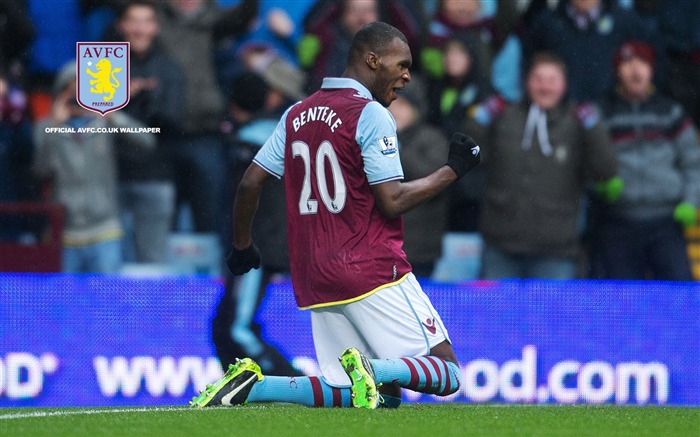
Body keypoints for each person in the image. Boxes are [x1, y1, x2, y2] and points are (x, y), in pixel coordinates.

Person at [190, 22, 480, 410]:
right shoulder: (371, 115)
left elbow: (250, 182)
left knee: (372, 396)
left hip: (314, 274)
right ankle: (373, 369)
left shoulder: (296, 114)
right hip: (371, 266)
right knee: (448, 373)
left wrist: (243, 246)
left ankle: (254, 388)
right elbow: (391, 200)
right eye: (402, 64)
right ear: (372, 59)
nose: (408, 75)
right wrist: (453, 170)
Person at [466, 52, 618, 279]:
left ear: (564, 85)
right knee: (497, 315)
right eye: (538, 79)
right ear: (526, 82)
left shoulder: (577, 123)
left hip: (555, 251)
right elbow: (469, 157)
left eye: (552, 80)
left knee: (550, 316)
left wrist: (593, 127)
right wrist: (480, 119)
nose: (544, 87)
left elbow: (606, 171)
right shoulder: (505, 115)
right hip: (500, 246)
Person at [212, 71, 301, 377]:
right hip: (264, 241)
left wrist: (243, 245)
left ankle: (296, 384)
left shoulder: (246, 144)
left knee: (237, 328)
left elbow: (243, 202)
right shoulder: (279, 135)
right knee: (226, 325)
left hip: (255, 246)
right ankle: (242, 387)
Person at [32, 62, 156, 273]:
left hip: (104, 228)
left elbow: (147, 142)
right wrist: (54, 127)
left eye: (82, 93)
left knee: (105, 299)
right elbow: (40, 170)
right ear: (59, 95)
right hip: (64, 231)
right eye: (70, 92)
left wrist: (111, 114)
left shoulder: (104, 123)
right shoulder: (46, 127)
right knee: (66, 298)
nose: (76, 99)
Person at [591, 41, 700, 281]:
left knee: (679, 297)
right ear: (617, 71)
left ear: (651, 69)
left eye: (641, 63)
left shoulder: (671, 112)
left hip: (667, 222)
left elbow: (693, 163)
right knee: (622, 302)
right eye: (627, 63)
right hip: (618, 222)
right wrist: (598, 184)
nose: (635, 70)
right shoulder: (602, 113)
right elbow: (586, 161)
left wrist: (690, 202)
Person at [114, 0, 185, 263]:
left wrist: (144, 98)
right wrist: (123, 97)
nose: (139, 28)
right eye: (133, 21)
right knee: (111, 267)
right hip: (112, 176)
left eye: (146, 21)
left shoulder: (169, 69)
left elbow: (174, 124)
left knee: (153, 264)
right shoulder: (102, 66)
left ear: (155, 27)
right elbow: (89, 117)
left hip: (156, 175)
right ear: (122, 26)